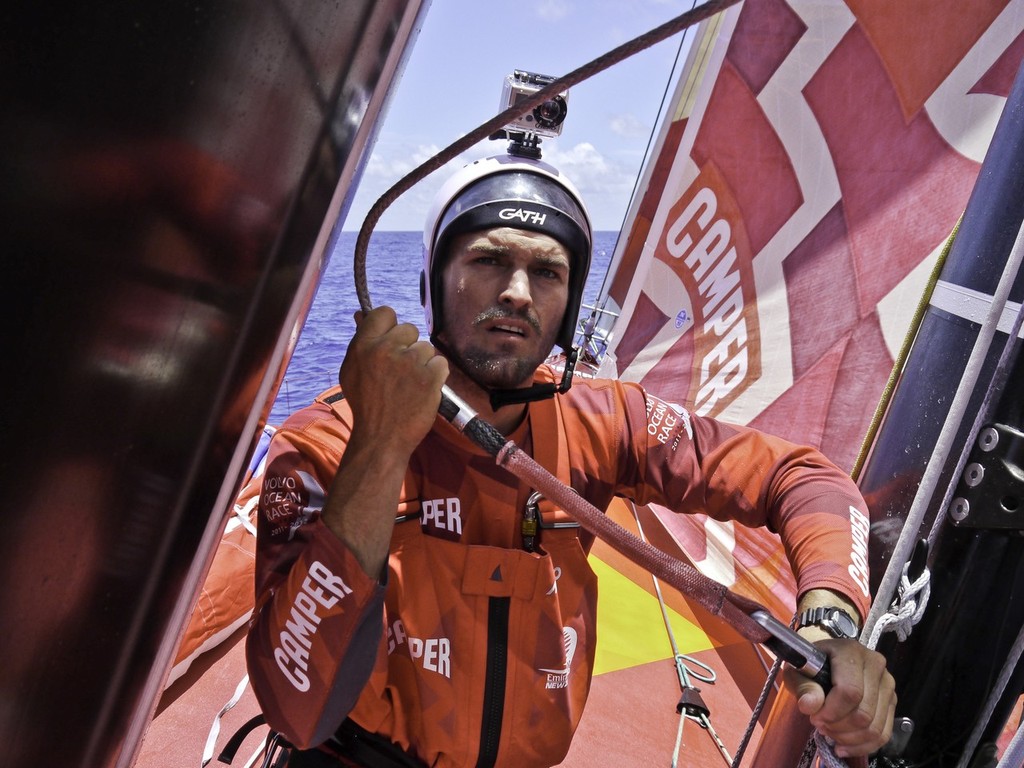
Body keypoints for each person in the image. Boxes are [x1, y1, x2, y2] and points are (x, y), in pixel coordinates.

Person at [245, 154, 896, 768]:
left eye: (548, 272)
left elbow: (803, 478)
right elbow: (296, 705)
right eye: (490, 260)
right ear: (433, 283)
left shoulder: (601, 420)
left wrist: (831, 619)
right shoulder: (329, 443)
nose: (519, 293)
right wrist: (381, 448)